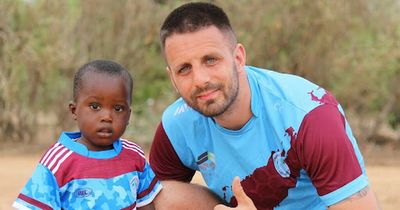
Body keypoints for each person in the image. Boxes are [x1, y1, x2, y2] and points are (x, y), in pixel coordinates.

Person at [149, 2, 380, 210]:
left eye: (211, 59)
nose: (200, 79)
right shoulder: (176, 125)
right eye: (184, 69)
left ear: (238, 58)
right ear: (173, 79)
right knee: (160, 196)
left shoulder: (308, 116)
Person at [13, 60, 162, 209]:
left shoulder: (134, 155)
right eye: (95, 106)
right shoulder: (58, 162)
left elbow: (146, 203)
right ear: (74, 110)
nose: (107, 117)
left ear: (128, 115)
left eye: (118, 108)